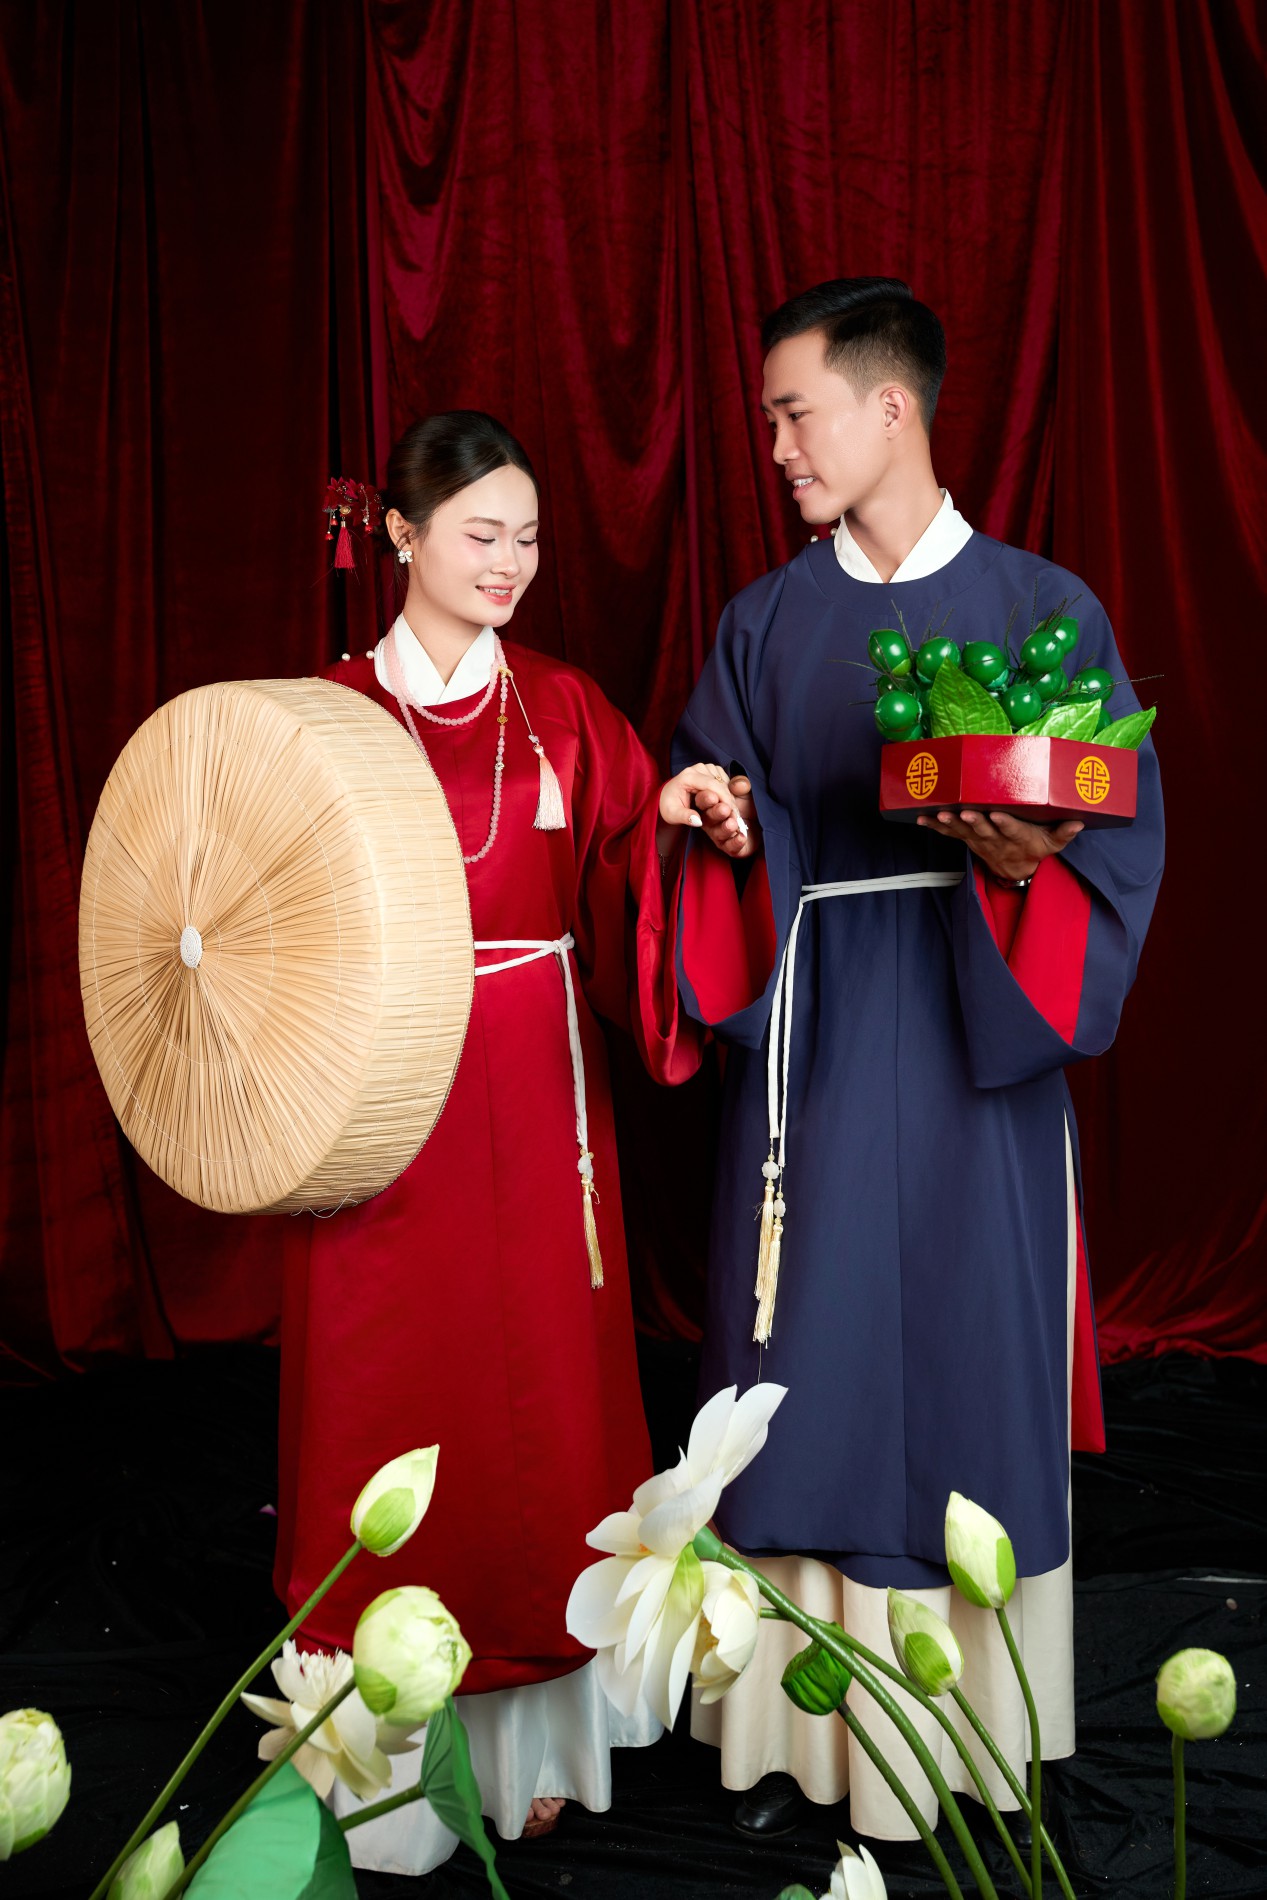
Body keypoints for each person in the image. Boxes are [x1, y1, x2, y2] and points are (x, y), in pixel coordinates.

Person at [655, 279, 1164, 1845]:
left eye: (795, 413)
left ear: (892, 407)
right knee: (802, 1358)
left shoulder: (1043, 605)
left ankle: (969, 1730)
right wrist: (718, 824)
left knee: (965, 1350)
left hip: (974, 1041)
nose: (779, 448)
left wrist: (1019, 866)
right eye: (769, 421)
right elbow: (714, 822)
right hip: (812, 1038)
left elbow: (1112, 853)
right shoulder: (762, 621)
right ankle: (792, 1734)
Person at [274, 412, 699, 1874]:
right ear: (400, 535)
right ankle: (381, 1751)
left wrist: (677, 824)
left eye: (525, 537)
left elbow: (630, 866)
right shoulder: (329, 713)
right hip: (379, 1086)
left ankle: (539, 1740)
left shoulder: (567, 708)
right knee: (388, 1384)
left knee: (542, 1401)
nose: (509, 562)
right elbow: (262, 911)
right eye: (479, 534)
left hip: (534, 1075)